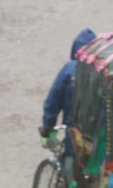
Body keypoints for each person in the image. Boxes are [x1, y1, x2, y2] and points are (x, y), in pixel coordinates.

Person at [40, 28, 97, 184]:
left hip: (75, 146)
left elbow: (52, 103)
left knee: (71, 175)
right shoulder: (102, 72)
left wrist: (47, 129)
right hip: (99, 149)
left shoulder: (69, 70)